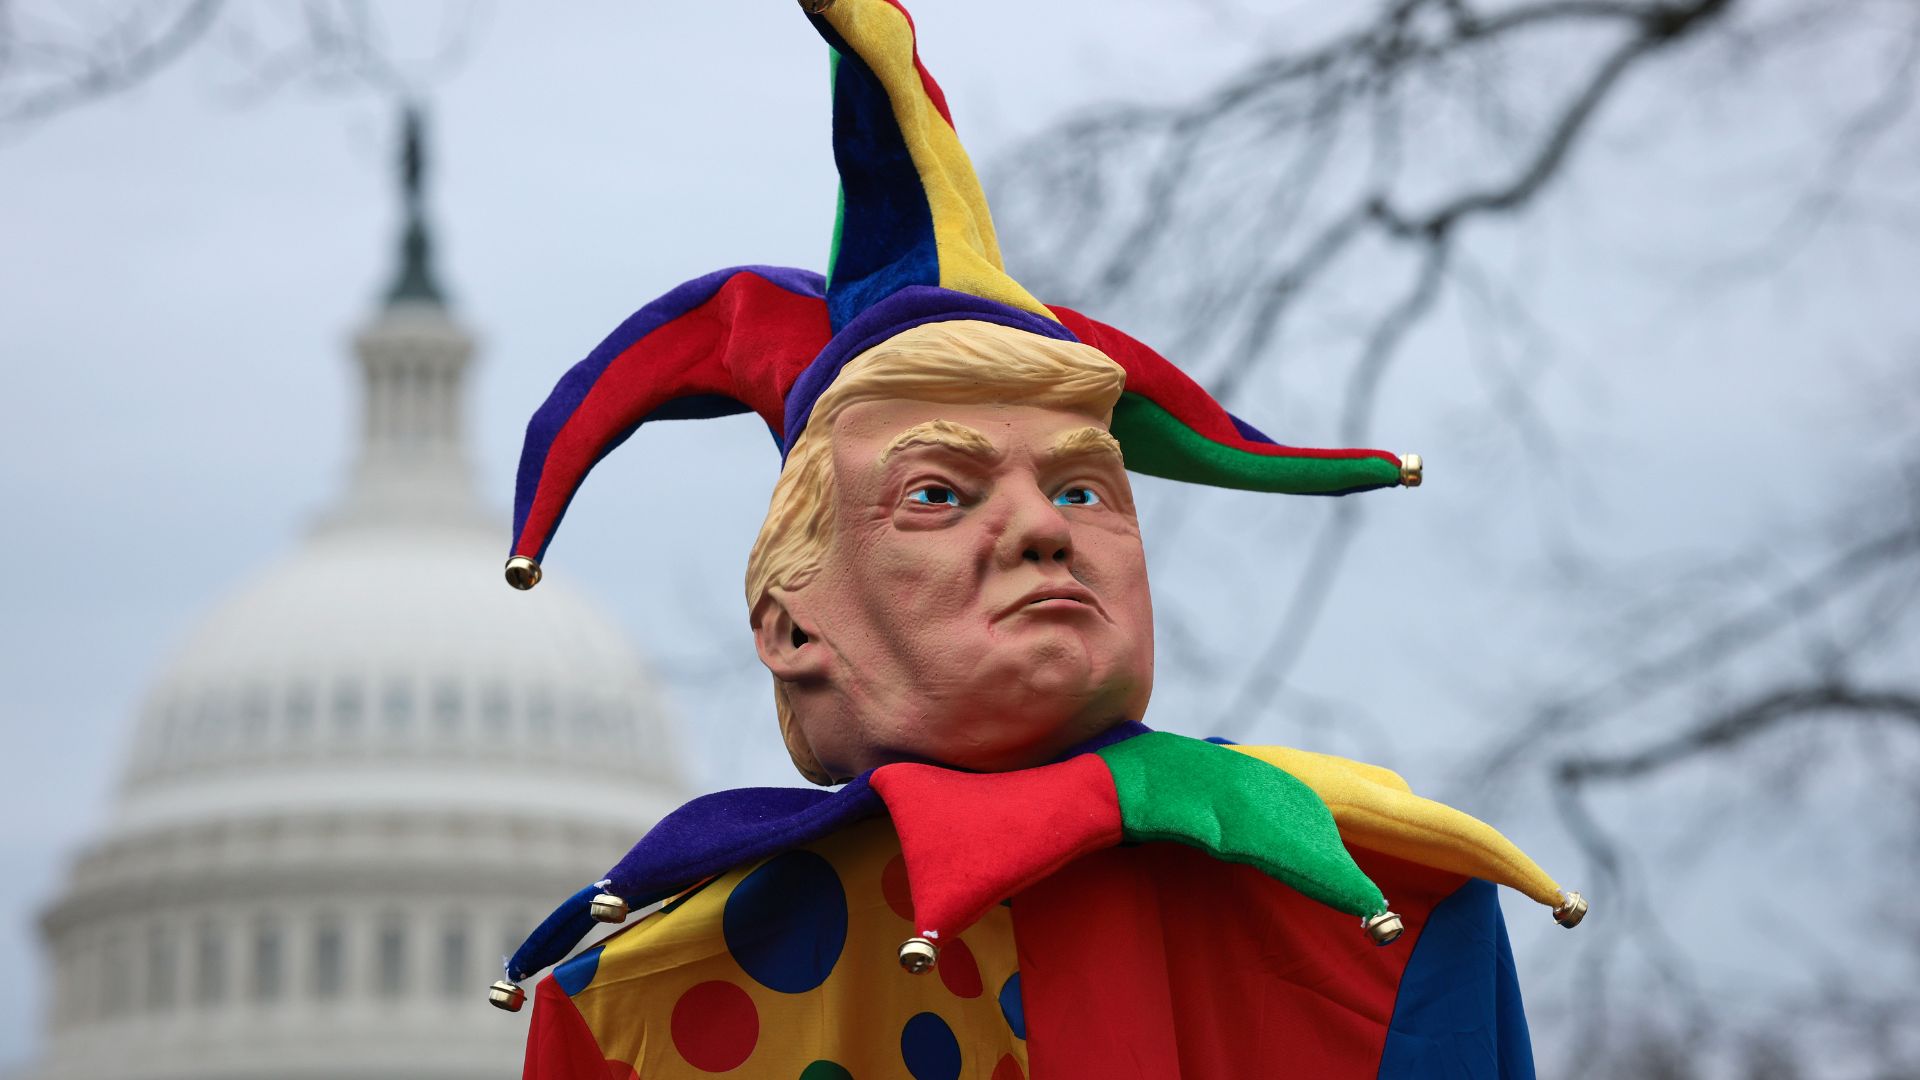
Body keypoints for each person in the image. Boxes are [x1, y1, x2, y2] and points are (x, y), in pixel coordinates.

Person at [491, 3, 1585, 1077]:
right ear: (791, 626)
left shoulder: (1398, 911)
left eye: (1079, 490)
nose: (1037, 532)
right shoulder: (635, 1022)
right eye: (937, 494)